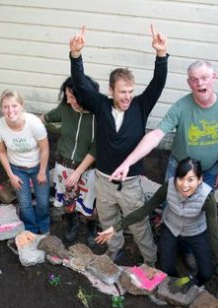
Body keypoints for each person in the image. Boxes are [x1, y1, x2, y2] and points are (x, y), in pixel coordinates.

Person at [69, 25, 168, 266]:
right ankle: (114, 252)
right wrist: (76, 56)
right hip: (103, 180)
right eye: (123, 92)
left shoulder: (140, 106)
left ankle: (150, 262)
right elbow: (81, 86)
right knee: (108, 220)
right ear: (111, 90)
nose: (127, 97)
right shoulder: (101, 105)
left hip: (130, 183)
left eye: (130, 92)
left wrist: (161, 54)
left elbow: (158, 84)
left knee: (138, 224)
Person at [96, 158, 218, 293]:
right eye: (181, 179)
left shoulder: (207, 198)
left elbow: (214, 233)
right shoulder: (169, 186)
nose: (185, 185)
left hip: (195, 232)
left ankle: (191, 282)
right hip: (171, 228)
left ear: (200, 180)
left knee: (207, 272)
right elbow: (145, 210)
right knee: (166, 268)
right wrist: (116, 227)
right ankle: (177, 282)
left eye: (191, 180)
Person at [110, 59, 218, 189]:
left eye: (204, 78)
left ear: (213, 77)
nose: (200, 83)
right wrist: (127, 163)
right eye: (194, 79)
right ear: (189, 83)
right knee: (171, 205)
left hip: (209, 171)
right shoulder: (181, 106)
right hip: (179, 170)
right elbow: (156, 134)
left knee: (202, 207)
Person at [42, 76, 99, 246]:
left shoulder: (98, 115)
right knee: (68, 202)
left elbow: (96, 148)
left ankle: (91, 225)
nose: (68, 100)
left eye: (72, 97)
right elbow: (47, 117)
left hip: (87, 169)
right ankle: (72, 222)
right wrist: (25, 124)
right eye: (67, 96)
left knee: (88, 202)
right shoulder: (65, 108)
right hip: (64, 165)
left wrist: (79, 172)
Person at [0, 90, 50, 234]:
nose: (10, 110)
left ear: (21, 106)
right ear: (1, 109)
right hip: (17, 168)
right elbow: (1, 151)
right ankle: (31, 229)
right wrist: (11, 175)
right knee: (24, 203)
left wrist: (42, 171)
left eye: (14, 106)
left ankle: (44, 225)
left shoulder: (34, 123)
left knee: (42, 201)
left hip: (37, 166)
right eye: (6, 107)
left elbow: (45, 148)